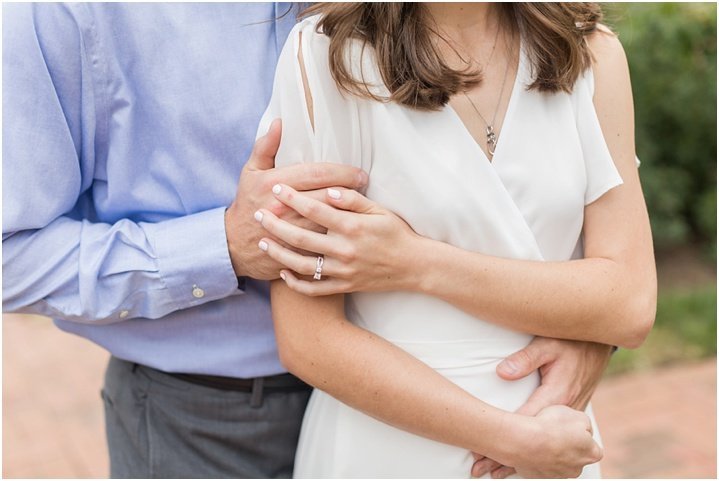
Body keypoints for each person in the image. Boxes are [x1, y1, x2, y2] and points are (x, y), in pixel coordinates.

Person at [3, 2, 636, 479]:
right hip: (211, 416)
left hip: (474, 392)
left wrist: (588, 331)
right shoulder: (68, 14)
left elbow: (573, 233)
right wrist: (221, 246)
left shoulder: (564, 45)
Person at [253, 2, 656, 478]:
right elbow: (308, 339)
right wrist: (511, 439)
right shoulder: (326, 54)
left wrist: (416, 262)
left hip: (556, 438)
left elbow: (630, 306)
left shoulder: (591, 51)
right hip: (391, 447)